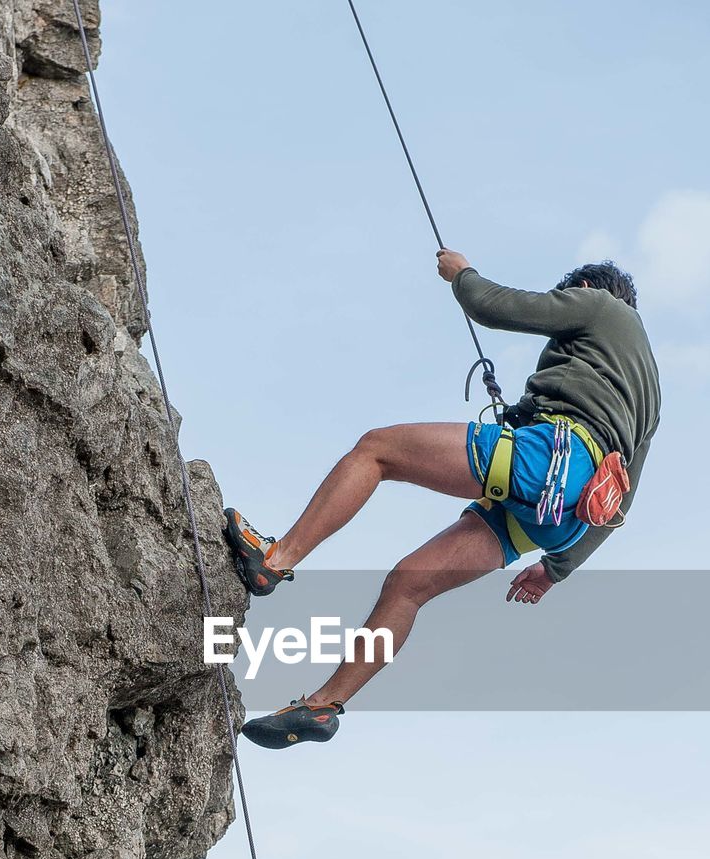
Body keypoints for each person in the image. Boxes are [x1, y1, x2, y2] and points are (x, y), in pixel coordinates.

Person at [224, 251, 661, 748]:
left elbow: (495, 306)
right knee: (407, 586)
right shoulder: (648, 394)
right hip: (569, 516)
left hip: (549, 461)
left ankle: (275, 560)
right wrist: (557, 568)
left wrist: (462, 275)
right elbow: (624, 497)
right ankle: (322, 707)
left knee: (376, 450)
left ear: (583, 287)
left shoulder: (600, 305)